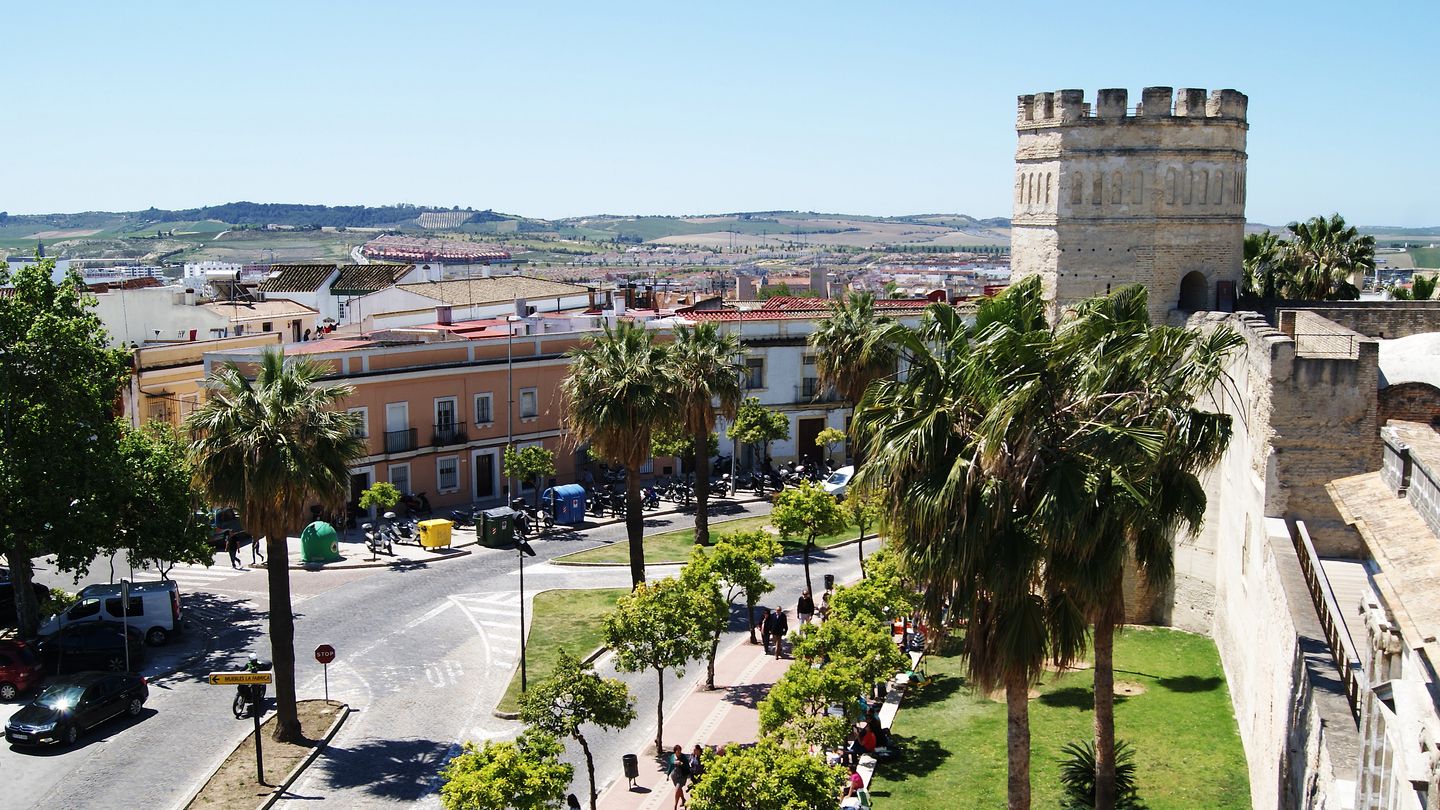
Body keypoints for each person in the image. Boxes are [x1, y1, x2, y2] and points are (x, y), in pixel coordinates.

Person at [668, 743, 691, 809]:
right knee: (679, 790)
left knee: (677, 789)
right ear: (675, 751)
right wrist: (668, 774)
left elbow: (687, 766)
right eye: (677, 750)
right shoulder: (672, 756)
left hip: (682, 776)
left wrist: (681, 764)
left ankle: (675, 806)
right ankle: (683, 800)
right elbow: (671, 764)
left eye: (680, 750)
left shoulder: (683, 757)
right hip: (674, 776)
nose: (679, 751)